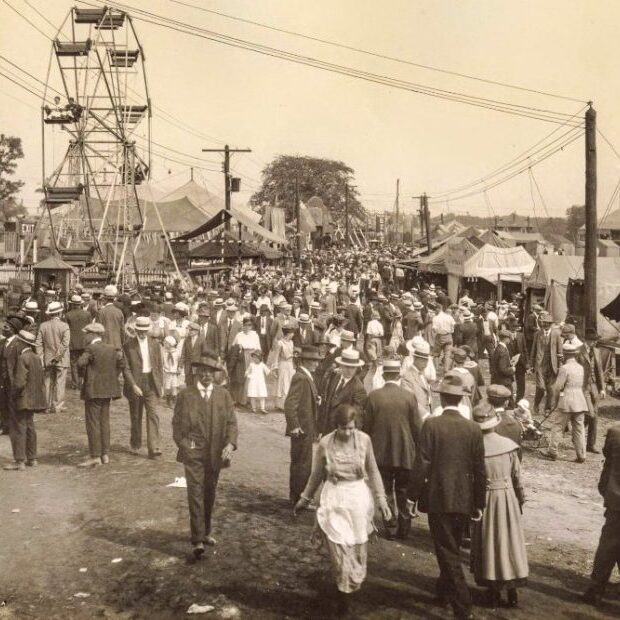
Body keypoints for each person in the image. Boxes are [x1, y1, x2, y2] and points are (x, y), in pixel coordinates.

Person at [294, 404, 391, 616]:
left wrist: (381, 499)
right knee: (339, 553)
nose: (347, 432)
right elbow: (316, 474)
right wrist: (304, 498)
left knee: (356, 554)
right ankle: (343, 602)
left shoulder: (364, 440)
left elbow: (373, 471)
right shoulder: (326, 442)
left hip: (357, 501)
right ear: (336, 426)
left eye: (351, 428)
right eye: (343, 428)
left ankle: (347, 587)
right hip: (334, 500)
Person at [409, 371, 486, 620]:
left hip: (438, 498)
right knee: (450, 545)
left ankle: (463, 606)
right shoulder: (474, 429)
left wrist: (412, 495)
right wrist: (479, 502)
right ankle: (443, 592)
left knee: (446, 550)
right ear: (462, 400)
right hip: (464, 499)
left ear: (442, 399)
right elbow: (479, 469)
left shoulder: (432, 424)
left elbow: (422, 464)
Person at [172, 352, 237, 558]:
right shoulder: (186, 395)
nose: (207, 375)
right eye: (203, 371)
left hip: (215, 454)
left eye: (211, 372)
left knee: (209, 492)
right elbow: (176, 425)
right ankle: (197, 539)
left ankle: (206, 532)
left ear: (215, 374)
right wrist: (185, 446)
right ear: (197, 372)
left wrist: (230, 444)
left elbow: (231, 423)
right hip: (193, 453)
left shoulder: (223, 395)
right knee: (196, 492)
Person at [469, 402, 528, 608]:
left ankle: (493, 591)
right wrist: (520, 499)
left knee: (489, 541)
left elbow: (472, 479)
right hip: (507, 497)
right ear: (495, 423)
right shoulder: (508, 446)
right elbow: (517, 478)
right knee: (509, 541)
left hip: (485, 499)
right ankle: (512, 590)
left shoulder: (475, 448)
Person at [364, 358, 423, 540]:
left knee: (386, 490)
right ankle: (404, 529)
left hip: (381, 454)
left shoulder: (373, 396)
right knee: (404, 490)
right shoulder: (409, 396)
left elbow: (366, 427)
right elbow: (417, 429)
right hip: (405, 454)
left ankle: (390, 527)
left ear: (383, 375)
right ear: (399, 375)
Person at [583, 422, 620, 606]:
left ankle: (596, 589)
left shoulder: (615, 432)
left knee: (608, 545)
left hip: (616, 499)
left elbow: (608, 460)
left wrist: (606, 490)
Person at [77, 323, 124, 467]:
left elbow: (80, 363)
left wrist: (84, 376)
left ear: (93, 334)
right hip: (108, 391)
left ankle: (95, 456)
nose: (85, 336)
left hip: (93, 391)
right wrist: (112, 377)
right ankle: (105, 454)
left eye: (87, 333)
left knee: (93, 423)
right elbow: (121, 364)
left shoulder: (90, 348)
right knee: (104, 422)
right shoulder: (111, 348)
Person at [284, 345, 323, 505]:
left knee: (302, 463)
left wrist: (316, 400)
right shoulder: (301, 377)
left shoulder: (306, 376)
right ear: (305, 361)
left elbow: (302, 400)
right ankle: (298, 498)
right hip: (301, 430)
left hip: (305, 428)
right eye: (313, 361)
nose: (316, 364)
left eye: (317, 361)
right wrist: (294, 426)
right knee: (302, 464)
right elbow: (289, 404)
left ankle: (297, 497)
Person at [4, 330, 47, 471]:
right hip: (33, 399)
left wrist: (13, 395)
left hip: (22, 398)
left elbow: (19, 382)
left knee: (18, 428)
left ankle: (19, 461)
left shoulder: (23, 358)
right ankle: (32, 458)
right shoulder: (36, 357)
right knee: (30, 427)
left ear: (22, 343)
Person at [123, 316, 164, 459]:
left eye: (144, 330)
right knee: (136, 416)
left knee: (153, 414)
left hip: (151, 383)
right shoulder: (128, 345)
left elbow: (159, 365)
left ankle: (154, 448)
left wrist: (161, 384)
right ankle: (135, 443)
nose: (142, 333)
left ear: (148, 330)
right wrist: (133, 385)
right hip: (135, 383)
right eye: (139, 330)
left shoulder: (155, 344)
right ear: (135, 330)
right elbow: (126, 368)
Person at [542, 341, 588, 463]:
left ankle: (552, 451)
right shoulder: (580, 368)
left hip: (567, 401)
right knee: (579, 429)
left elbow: (557, 388)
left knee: (558, 426)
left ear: (565, 355)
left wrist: (556, 401)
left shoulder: (564, 368)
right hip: (580, 401)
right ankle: (582, 455)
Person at [319, 348, 367, 435]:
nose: (349, 370)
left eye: (353, 367)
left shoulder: (359, 388)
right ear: (341, 365)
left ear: (357, 368)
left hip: (343, 432)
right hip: (327, 431)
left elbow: (357, 417)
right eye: (346, 366)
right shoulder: (336, 378)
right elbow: (328, 404)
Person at [36, 301, 70, 413]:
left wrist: (41, 358)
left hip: (47, 358)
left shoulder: (43, 326)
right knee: (60, 382)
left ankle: (46, 405)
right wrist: (58, 356)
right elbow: (65, 344)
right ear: (59, 313)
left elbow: (38, 344)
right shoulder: (64, 326)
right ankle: (57, 406)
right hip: (62, 359)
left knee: (47, 381)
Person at [530, 311, 562, 416]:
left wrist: (559, 366)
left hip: (552, 364)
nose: (546, 325)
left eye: (548, 323)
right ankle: (536, 404)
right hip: (540, 363)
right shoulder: (537, 334)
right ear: (542, 323)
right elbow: (533, 349)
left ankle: (547, 409)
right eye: (544, 323)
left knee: (551, 389)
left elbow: (560, 351)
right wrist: (531, 364)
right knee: (541, 387)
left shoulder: (557, 334)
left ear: (551, 324)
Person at [580, 327, 606, 454]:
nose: (594, 342)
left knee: (595, 416)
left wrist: (602, 388)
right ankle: (578, 435)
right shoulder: (578, 351)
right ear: (586, 340)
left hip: (594, 386)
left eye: (595, 340)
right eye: (592, 340)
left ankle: (591, 444)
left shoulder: (596, 351)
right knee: (590, 414)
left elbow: (599, 371)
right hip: (583, 386)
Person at [227, 317, 261, 406]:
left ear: (252, 326)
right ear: (243, 325)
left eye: (249, 325)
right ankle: (240, 399)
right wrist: (238, 348)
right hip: (242, 357)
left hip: (253, 356)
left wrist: (257, 358)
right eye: (245, 325)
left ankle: (249, 400)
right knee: (241, 377)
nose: (247, 327)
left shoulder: (255, 335)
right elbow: (233, 346)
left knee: (251, 378)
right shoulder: (239, 335)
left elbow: (258, 348)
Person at [400, 339, 432, 419]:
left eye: (427, 360)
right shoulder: (407, 376)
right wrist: (426, 415)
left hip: (425, 415)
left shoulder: (422, 374)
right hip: (416, 417)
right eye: (423, 360)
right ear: (415, 359)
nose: (426, 363)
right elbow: (410, 400)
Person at [65, 294, 92, 390]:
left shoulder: (68, 315)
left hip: (72, 343)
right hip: (85, 342)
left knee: (74, 363)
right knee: (84, 363)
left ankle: (75, 383)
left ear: (72, 304)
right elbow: (90, 328)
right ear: (80, 304)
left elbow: (66, 330)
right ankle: (84, 382)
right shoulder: (87, 314)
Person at [270, 323, 297, 410]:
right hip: (283, 364)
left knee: (289, 383)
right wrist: (275, 368)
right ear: (288, 333)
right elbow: (276, 356)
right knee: (283, 383)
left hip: (290, 365)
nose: (293, 334)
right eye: (292, 333)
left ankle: (288, 404)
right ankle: (281, 405)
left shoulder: (291, 342)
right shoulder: (280, 343)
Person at [489, 329, 515, 406]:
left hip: (497, 380)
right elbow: (503, 369)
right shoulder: (503, 351)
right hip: (504, 381)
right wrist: (512, 369)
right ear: (506, 339)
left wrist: (509, 363)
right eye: (509, 338)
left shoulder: (498, 348)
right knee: (509, 402)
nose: (510, 340)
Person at [97, 284, 125, 350]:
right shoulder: (119, 312)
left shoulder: (101, 312)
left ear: (105, 299)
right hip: (117, 345)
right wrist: (122, 343)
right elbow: (122, 330)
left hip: (104, 345)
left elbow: (98, 330)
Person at [245, 350, 270, 414]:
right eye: (253, 357)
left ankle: (262, 408)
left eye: (256, 358)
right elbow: (247, 372)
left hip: (260, 382)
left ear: (260, 358)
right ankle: (254, 408)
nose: (254, 359)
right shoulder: (251, 365)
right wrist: (249, 375)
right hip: (253, 382)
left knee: (262, 395)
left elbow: (267, 372)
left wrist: (271, 370)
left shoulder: (262, 365)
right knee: (253, 395)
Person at [162, 335, 181, 408]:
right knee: (167, 387)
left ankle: (174, 401)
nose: (164, 344)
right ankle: (168, 401)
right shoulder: (164, 352)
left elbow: (179, 361)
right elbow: (162, 361)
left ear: (170, 344)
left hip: (174, 372)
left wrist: (179, 368)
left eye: (166, 343)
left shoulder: (177, 352)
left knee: (174, 386)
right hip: (167, 372)